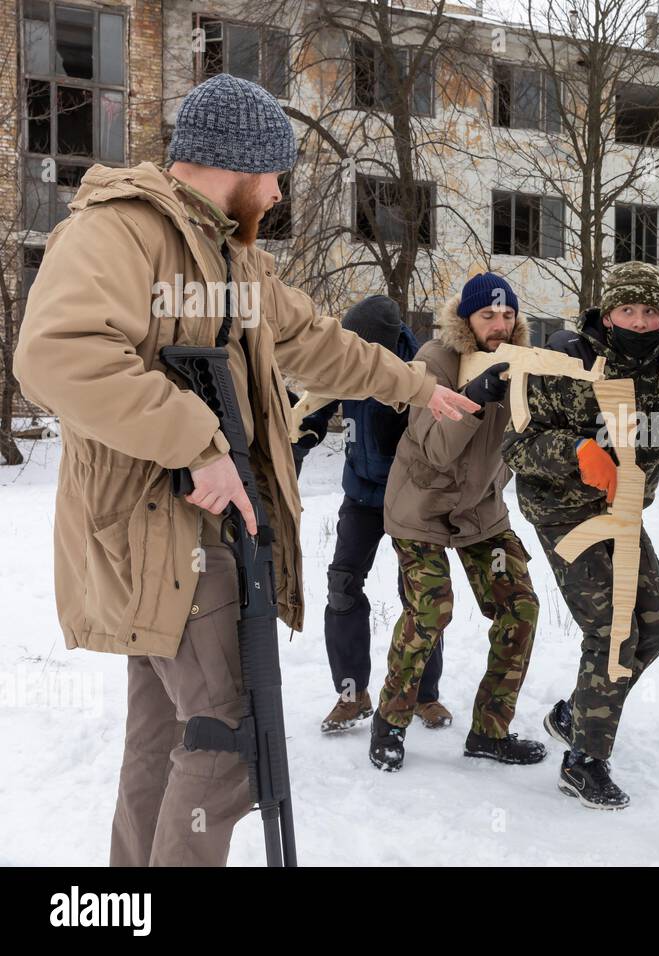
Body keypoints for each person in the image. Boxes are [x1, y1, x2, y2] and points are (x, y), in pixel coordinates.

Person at [13, 73, 478, 866]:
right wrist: (199, 444)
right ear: (236, 164)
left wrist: (417, 386)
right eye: (273, 175)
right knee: (228, 739)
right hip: (163, 536)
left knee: (167, 739)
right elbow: (57, 356)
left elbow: (321, 344)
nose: (276, 191)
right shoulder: (120, 233)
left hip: (201, 534)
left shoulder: (229, 261)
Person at [502, 262, 659, 810]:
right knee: (612, 633)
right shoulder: (564, 363)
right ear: (607, 314)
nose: (642, 322)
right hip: (562, 514)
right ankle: (584, 761)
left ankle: (573, 715)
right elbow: (516, 445)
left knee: (656, 629)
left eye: (652, 312)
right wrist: (576, 453)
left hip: (624, 511)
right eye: (629, 310)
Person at [370, 273, 547, 771]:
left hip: (481, 514)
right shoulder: (434, 362)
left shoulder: (520, 365)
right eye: (488, 315)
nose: (500, 324)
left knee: (520, 609)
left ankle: (490, 732)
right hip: (420, 510)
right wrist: (473, 395)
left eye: (508, 315)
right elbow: (437, 449)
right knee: (430, 611)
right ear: (467, 318)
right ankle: (390, 721)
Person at [293, 296, 450, 734]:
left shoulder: (420, 367)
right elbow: (312, 414)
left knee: (422, 597)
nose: (358, 352)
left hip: (411, 499)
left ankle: (424, 693)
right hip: (361, 496)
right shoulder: (344, 362)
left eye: (365, 345)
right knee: (342, 587)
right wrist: (295, 444)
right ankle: (351, 694)